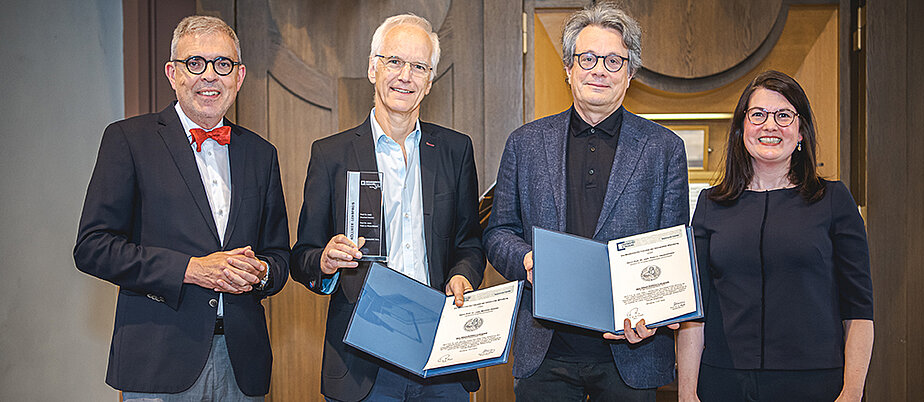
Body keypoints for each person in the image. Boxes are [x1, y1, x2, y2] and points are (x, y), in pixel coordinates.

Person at [73, 15, 290, 401]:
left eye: (223, 64)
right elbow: (93, 247)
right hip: (158, 359)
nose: (210, 76)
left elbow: (279, 257)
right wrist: (190, 269)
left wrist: (260, 273)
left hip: (243, 364)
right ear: (172, 73)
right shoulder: (128, 140)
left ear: (239, 77)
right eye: (195, 63)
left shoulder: (261, 153)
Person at [483, 3, 689, 401]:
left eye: (614, 61)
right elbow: (499, 232)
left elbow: (673, 250)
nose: (599, 70)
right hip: (545, 352)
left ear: (629, 74)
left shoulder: (664, 149)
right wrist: (526, 261)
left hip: (633, 349)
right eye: (588, 58)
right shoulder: (525, 144)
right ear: (569, 68)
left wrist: (658, 313)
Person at [290, 14, 485, 402]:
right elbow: (301, 256)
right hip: (362, 362)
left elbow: (469, 243)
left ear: (429, 82)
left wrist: (464, 275)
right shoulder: (331, 155)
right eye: (394, 61)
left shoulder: (455, 150)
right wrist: (325, 262)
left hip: (440, 356)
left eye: (418, 67)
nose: (405, 76)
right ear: (372, 67)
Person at [676, 70, 874, 402]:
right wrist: (687, 392)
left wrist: (852, 392)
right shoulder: (711, 205)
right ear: (741, 130)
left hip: (815, 383)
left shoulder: (834, 200)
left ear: (801, 133)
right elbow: (695, 314)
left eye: (784, 115)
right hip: (724, 382)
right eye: (758, 115)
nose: (770, 125)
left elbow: (859, 311)